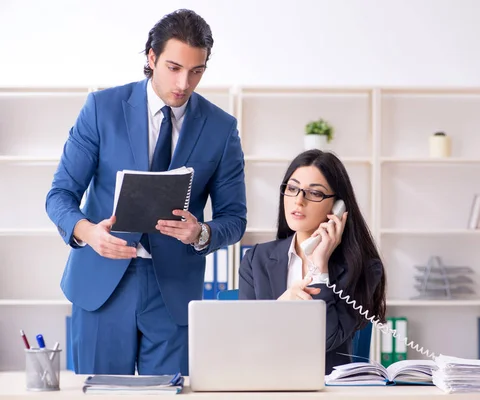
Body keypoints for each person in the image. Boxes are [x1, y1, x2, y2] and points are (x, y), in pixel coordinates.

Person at [45, 9, 246, 375]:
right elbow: (59, 195)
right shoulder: (101, 109)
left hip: (172, 292)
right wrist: (88, 233)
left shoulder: (221, 128)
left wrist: (201, 233)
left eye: (196, 71)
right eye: (174, 67)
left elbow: (235, 218)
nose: (184, 83)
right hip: (102, 283)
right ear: (151, 58)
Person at [238, 149, 387, 374]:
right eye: (292, 188)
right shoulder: (255, 259)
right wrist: (280, 307)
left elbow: (328, 339)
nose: (299, 200)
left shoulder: (364, 268)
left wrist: (320, 269)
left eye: (315, 193)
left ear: (338, 207)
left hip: (327, 390)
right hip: (266, 383)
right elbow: (245, 341)